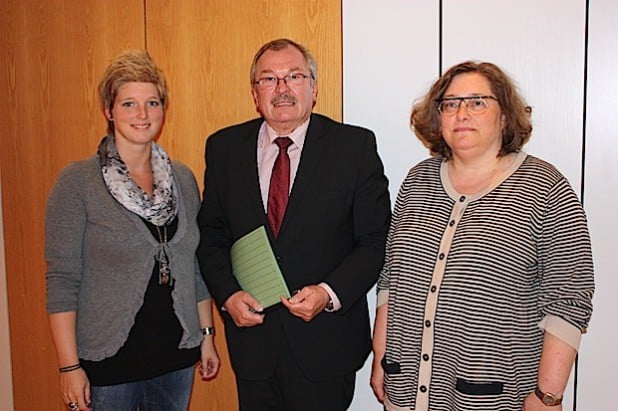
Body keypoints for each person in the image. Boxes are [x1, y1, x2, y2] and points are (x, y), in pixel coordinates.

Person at [370, 61, 595, 411]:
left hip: (493, 396)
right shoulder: (418, 182)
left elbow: (569, 299)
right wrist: (381, 357)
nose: (461, 113)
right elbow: (392, 279)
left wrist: (547, 396)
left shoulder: (545, 188)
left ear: (504, 116)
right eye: (450, 103)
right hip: (407, 389)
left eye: (477, 102)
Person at [197, 38, 391, 410]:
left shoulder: (354, 147)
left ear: (314, 87)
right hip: (253, 346)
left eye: (294, 76)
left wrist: (328, 293)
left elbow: (375, 240)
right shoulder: (224, 148)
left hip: (326, 347)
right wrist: (228, 294)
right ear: (255, 93)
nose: (282, 89)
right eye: (268, 79)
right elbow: (212, 235)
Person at [46, 49, 220, 411]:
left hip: (176, 360)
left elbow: (194, 269)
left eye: (152, 103)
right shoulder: (77, 183)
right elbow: (62, 281)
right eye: (128, 104)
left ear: (163, 110)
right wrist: (69, 366)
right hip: (109, 367)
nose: (142, 115)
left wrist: (206, 337)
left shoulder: (183, 180)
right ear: (109, 111)